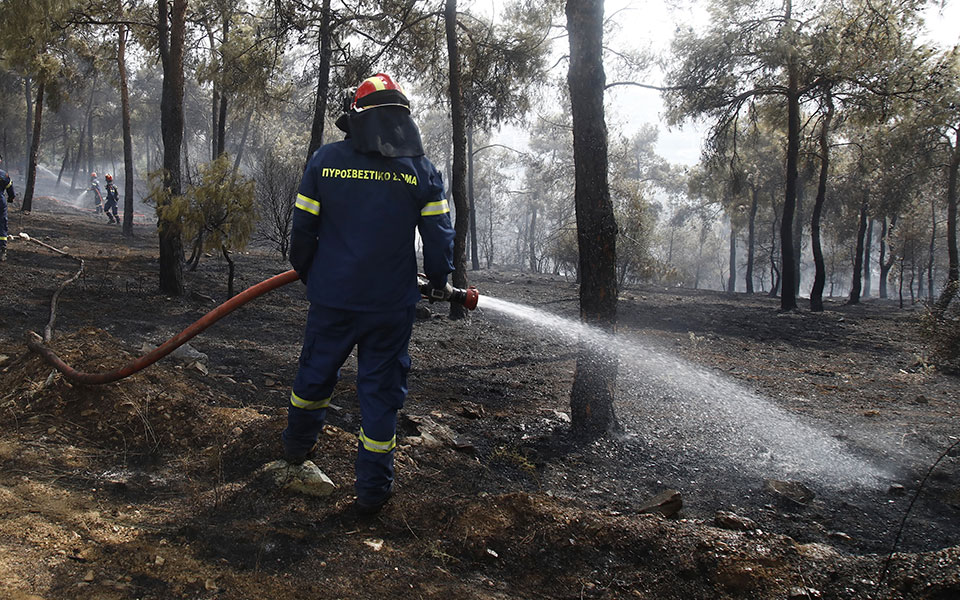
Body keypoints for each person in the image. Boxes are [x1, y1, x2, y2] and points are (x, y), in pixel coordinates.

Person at [283, 73, 455, 515]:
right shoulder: (422, 171)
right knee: (380, 396)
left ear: (356, 116)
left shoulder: (326, 161)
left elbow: (304, 227)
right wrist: (439, 279)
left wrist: (305, 268)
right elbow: (438, 237)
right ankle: (372, 494)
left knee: (314, 376)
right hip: (390, 306)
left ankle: (296, 452)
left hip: (332, 299)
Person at [0, 153, 16, 262]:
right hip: (1, 203)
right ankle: (2, 250)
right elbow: (11, 191)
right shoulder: (4, 175)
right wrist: (11, 198)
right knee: (1, 225)